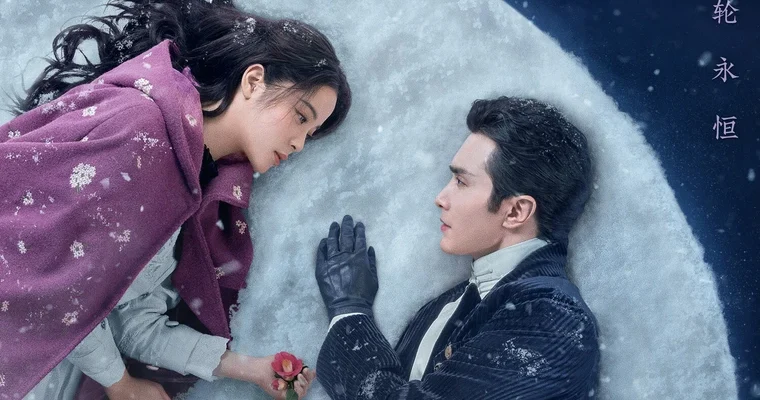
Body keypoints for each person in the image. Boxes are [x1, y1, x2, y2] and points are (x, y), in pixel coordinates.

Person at [0, 0, 351, 399]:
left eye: (310, 134)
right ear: (254, 81)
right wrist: (120, 383)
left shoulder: (190, 182)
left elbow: (130, 321)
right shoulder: (141, 132)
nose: (299, 143)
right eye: (301, 117)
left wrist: (249, 368)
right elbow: (53, 285)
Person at [314, 97, 599, 399]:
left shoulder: (553, 319)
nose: (440, 197)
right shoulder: (449, 302)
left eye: (461, 182)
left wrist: (349, 313)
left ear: (516, 211)